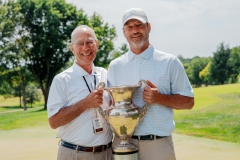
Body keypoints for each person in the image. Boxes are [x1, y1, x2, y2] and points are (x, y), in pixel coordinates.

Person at [107, 8, 194, 160]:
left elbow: (189, 102)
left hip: (157, 145)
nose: (135, 30)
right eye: (129, 27)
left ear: (149, 27)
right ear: (124, 31)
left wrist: (159, 98)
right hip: (122, 144)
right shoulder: (115, 66)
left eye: (139, 25)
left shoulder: (170, 62)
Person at [47, 25, 112, 160]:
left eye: (89, 42)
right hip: (74, 154)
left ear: (96, 44)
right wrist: (85, 104)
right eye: (80, 44)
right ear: (72, 48)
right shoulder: (61, 80)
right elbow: (53, 122)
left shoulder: (106, 75)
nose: (85, 47)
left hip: (107, 153)